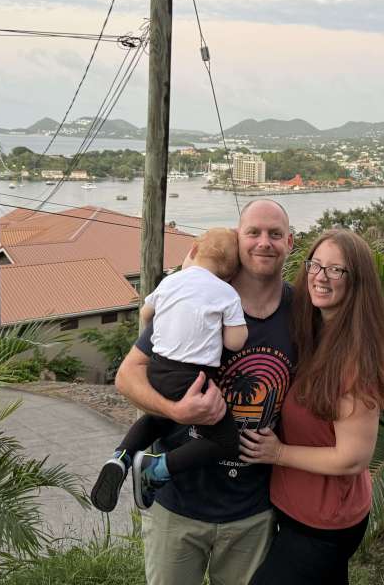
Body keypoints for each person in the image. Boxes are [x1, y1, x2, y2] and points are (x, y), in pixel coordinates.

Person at [114, 199, 297, 585]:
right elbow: (127, 376)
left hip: (254, 508)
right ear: (238, 238)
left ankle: (124, 457)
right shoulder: (199, 298)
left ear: (290, 243)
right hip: (178, 505)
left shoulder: (302, 313)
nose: (264, 242)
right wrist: (175, 411)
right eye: (254, 232)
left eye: (275, 234)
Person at [240, 228, 384, 585]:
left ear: (356, 282)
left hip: (324, 525)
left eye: (336, 270)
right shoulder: (317, 334)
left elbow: (353, 458)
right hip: (300, 513)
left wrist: (277, 453)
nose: (321, 277)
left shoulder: (355, 359)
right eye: (316, 265)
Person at [90, 227, 248, 512]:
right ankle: (157, 468)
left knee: (157, 418)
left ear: (194, 250)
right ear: (230, 274)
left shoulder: (170, 281)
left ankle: (121, 458)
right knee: (225, 441)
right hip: (192, 377)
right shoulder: (226, 292)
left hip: (158, 370)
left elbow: (145, 314)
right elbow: (235, 342)